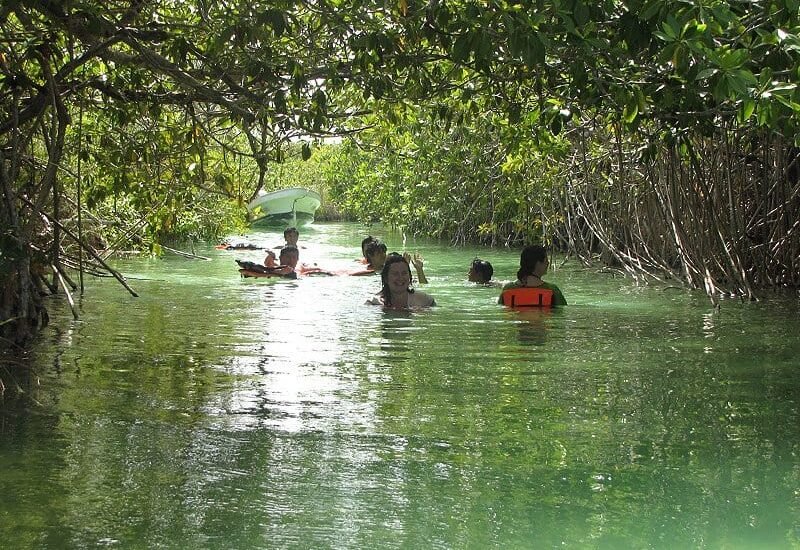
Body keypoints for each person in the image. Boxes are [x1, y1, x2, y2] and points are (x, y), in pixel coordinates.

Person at [499, 245, 567, 305]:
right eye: (546, 260)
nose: (548, 263)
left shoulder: (508, 288)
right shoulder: (552, 290)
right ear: (538, 264)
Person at [367, 253, 436, 309]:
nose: (400, 278)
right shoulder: (374, 303)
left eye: (404, 273)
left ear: (409, 276)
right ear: (386, 278)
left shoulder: (425, 301)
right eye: (395, 274)